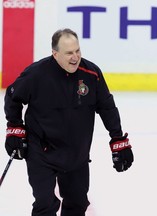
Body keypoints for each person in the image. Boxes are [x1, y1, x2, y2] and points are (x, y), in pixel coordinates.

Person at [4, 28, 134, 216]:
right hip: (41, 149)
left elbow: (106, 107)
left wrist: (118, 140)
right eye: (69, 53)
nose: (75, 57)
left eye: (77, 51)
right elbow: (12, 97)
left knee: (77, 203)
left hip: (76, 151)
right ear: (55, 54)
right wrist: (15, 128)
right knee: (45, 203)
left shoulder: (91, 73)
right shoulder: (36, 74)